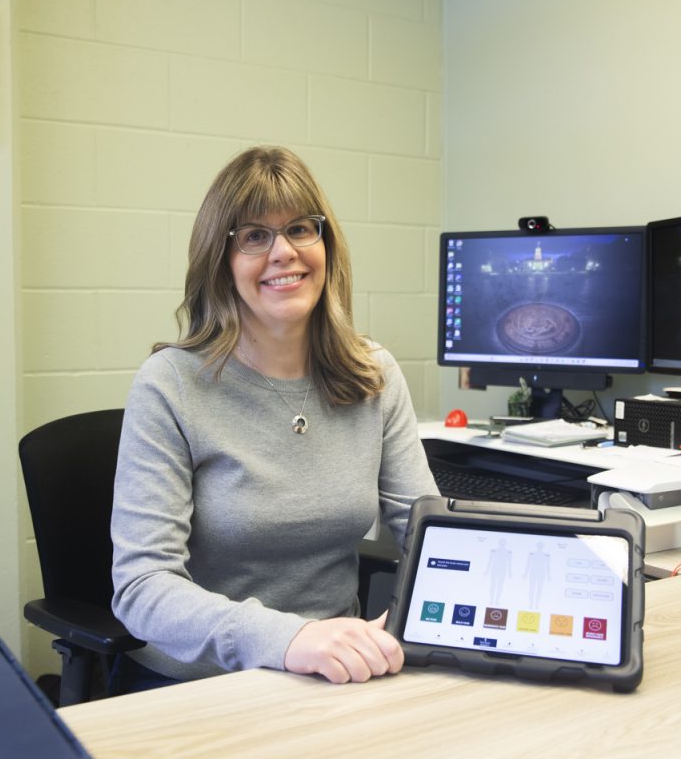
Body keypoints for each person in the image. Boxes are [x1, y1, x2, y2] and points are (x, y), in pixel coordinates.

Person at [110, 145, 440, 687]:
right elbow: (142, 586)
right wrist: (289, 639)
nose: (283, 252)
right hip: (199, 682)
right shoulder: (170, 384)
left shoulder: (371, 373)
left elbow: (428, 530)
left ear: (325, 245)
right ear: (221, 263)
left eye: (300, 229)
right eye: (254, 237)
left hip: (336, 675)